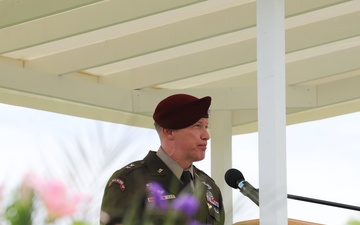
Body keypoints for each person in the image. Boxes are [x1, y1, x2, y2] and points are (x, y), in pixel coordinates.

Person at [100, 94, 225, 225]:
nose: (206, 135)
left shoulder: (209, 187)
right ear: (169, 132)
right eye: (197, 126)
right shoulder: (130, 180)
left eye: (206, 126)